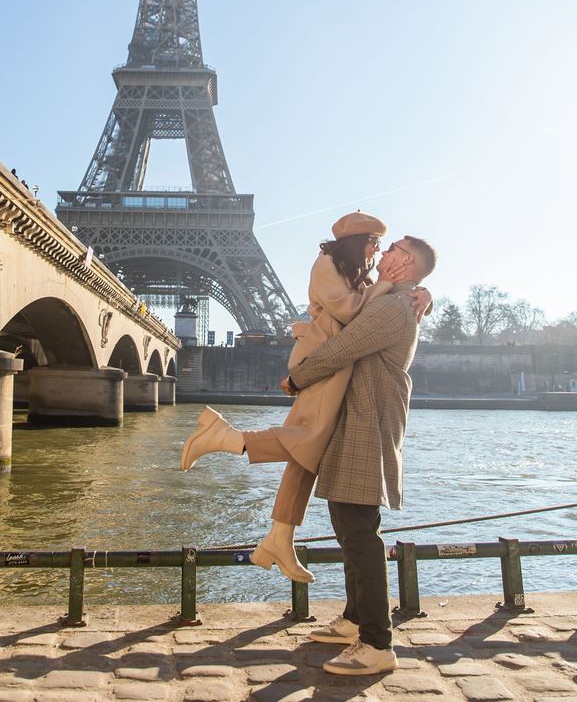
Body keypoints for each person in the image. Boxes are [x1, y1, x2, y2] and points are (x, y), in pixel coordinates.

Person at [180, 212, 431, 583]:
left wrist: (422, 292)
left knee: (309, 448)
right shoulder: (329, 264)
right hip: (321, 361)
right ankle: (226, 439)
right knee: (309, 439)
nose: (379, 250)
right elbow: (351, 317)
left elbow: (377, 316)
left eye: (388, 246)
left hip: (334, 368)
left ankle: (280, 537)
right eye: (376, 243)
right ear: (359, 240)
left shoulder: (360, 275)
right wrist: (401, 290)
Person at [287, 234, 437, 677]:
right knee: (352, 528)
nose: (384, 251)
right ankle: (356, 620)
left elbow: (342, 348)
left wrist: (297, 378)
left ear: (405, 261)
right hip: (358, 424)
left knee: (359, 534)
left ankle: (376, 643)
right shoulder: (391, 300)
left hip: (366, 429)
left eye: (393, 248)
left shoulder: (393, 308)